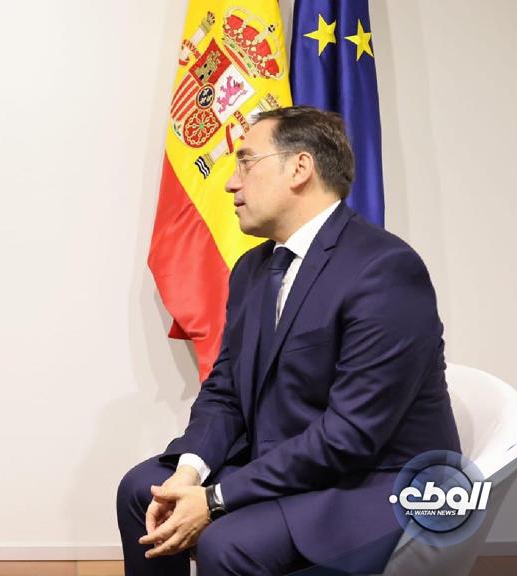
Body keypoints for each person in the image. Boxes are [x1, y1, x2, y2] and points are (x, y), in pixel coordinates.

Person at [116, 106, 460, 575]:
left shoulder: (384, 270)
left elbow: (351, 435)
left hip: (374, 483)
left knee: (227, 543)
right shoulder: (252, 269)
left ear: (300, 168)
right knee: (142, 490)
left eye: (245, 163)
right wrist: (189, 473)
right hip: (293, 463)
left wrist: (215, 499)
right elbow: (225, 391)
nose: (231, 184)